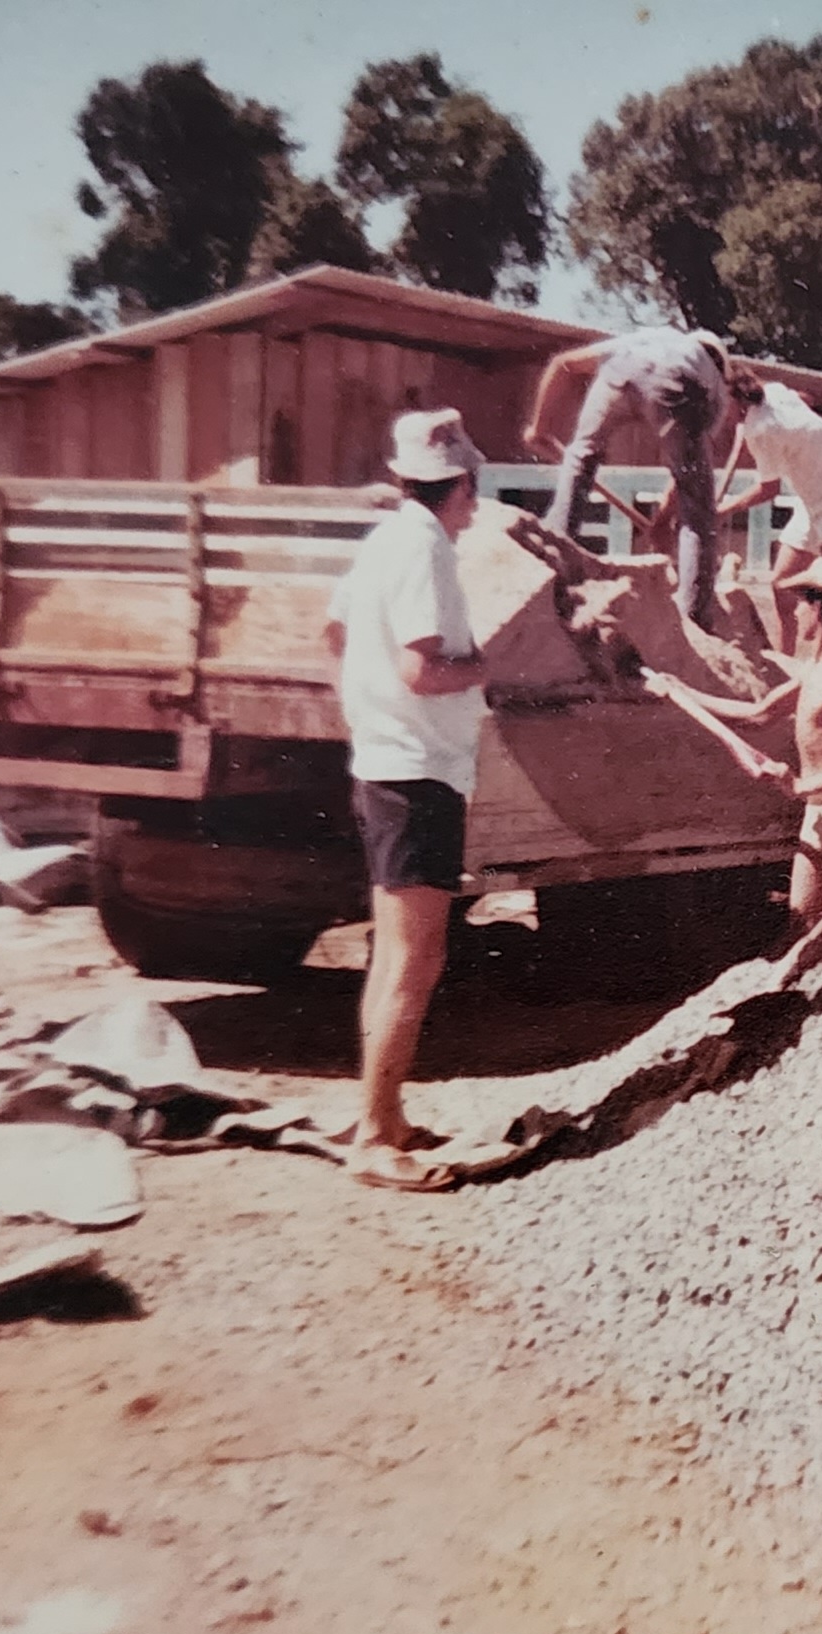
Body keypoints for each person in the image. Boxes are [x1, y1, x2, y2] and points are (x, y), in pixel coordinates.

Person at [323, 409, 489, 1191]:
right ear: (461, 485)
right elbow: (424, 670)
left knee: (393, 956)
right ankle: (374, 1136)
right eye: (472, 489)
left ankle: (383, 1117)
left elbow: (332, 631)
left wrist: (366, 702)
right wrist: (486, 665)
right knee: (414, 962)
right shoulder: (426, 548)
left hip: (386, 762)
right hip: (420, 771)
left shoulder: (384, 540)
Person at [645, 556, 822, 965]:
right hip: (817, 815)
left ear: (820, 609)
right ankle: (819, 991)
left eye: (802, 603)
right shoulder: (813, 671)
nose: (795, 611)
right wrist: (680, 689)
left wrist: (801, 786)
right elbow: (757, 714)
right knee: (801, 916)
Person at [524, 326, 730, 628]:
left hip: (620, 371)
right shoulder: (714, 385)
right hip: (679, 385)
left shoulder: (651, 336)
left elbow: (562, 364)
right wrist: (663, 521)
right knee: (699, 513)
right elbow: (686, 478)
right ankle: (694, 618)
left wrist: (539, 428)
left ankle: (553, 557)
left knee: (581, 456)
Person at [713, 364, 822, 587]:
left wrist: (722, 511)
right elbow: (806, 399)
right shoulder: (773, 392)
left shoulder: (760, 430)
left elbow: (769, 489)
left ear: (734, 397)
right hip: (812, 501)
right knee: (783, 584)